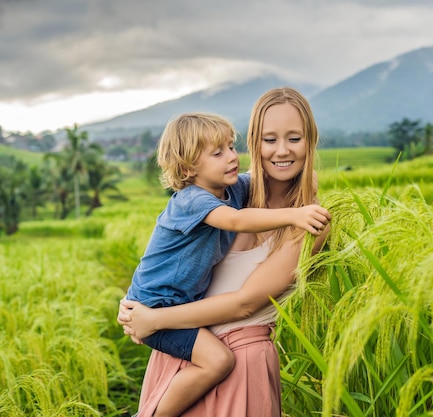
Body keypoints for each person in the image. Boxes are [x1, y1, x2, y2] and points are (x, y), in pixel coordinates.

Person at [118, 87, 327, 417]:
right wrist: (137, 310)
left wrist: (152, 319)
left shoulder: (310, 219)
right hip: (182, 358)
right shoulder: (227, 195)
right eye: (269, 139)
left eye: (295, 139)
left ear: (310, 141)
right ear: (255, 142)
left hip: (237, 365)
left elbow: (245, 303)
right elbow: (232, 222)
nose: (282, 150)